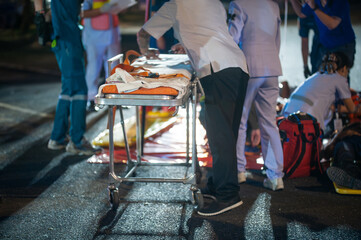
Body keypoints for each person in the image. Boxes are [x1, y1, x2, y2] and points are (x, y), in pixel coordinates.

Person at [137, 0, 249, 216]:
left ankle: (228, 195)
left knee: (220, 136)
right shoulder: (214, 2)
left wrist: (146, 53)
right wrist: (186, 44)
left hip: (218, 71)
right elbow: (207, 31)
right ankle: (217, 184)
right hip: (237, 66)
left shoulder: (175, 5)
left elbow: (143, 34)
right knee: (220, 128)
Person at [228, 0, 284, 191]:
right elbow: (277, 40)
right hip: (272, 67)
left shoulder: (239, 3)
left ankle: (239, 171)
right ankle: (275, 176)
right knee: (269, 123)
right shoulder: (273, 5)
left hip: (249, 67)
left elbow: (232, 37)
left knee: (240, 120)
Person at [33, 0, 100, 155]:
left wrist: (40, 15)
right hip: (68, 39)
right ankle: (77, 141)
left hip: (65, 38)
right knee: (79, 90)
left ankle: (57, 137)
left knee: (68, 90)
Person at [283, 52, 361, 131]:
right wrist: (358, 109)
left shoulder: (317, 75)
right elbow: (351, 108)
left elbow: (331, 106)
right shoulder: (339, 78)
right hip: (306, 118)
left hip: (287, 112)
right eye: (348, 71)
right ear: (344, 68)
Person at [290, 0, 356, 83]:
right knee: (324, 79)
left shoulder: (340, 2)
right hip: (326, 47)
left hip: (343, 47)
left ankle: (345, 95)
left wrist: (314, 8)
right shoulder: (316, 2)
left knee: (340, 78)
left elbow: (332, 24)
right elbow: (301, 13)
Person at [81, 0, 122, 112]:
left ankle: (114, 96)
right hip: (93, 34)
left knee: (115, 67)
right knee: (94, 66)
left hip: (112, 32)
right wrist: (102, 10)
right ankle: (91, 99)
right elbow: (82, 13)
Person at [324, 122, 361, 190]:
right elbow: (327, 154)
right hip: (349, 151)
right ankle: (352, 176)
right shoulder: (345, 133)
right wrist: (339, 136)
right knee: (344, 147)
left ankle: (355, 178)